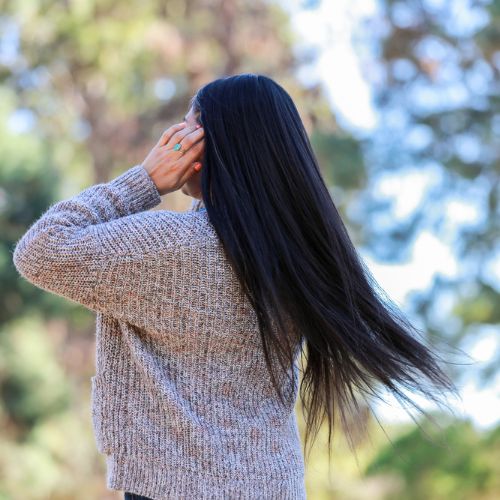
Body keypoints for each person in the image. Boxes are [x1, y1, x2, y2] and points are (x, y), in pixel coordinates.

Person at [12, 73, 457, 499]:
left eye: (187, 129)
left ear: (210, 147)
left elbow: (40, 250)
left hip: (178, 488)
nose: (173, 139)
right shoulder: (290, 260)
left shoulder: (174, 249)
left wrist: (144, 180)